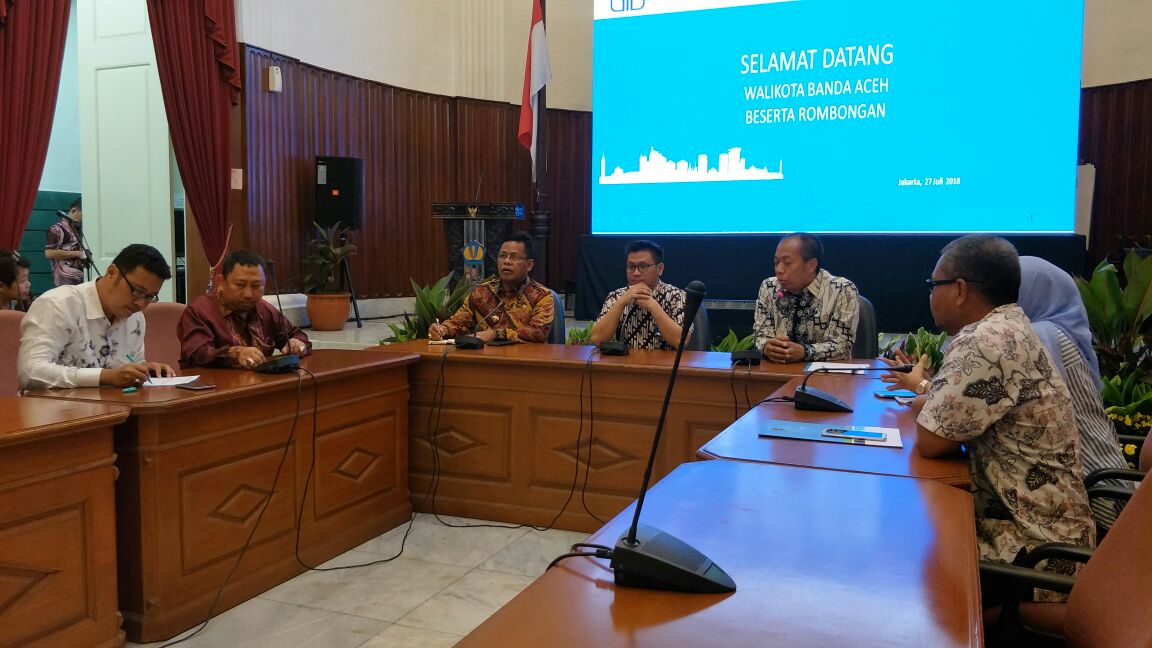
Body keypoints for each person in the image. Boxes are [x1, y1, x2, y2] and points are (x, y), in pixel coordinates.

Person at [882, 235, 1094, 602]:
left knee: (898, 554)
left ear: (960, 290)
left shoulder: (983, 340)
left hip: (1033, 553)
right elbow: (953, 409)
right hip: (1052, 533)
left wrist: (926, 403)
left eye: (934, 284)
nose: (930, 294)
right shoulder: (1010, 326)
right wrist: (929, 398)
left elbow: (933, 442)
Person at [1018, 256, 1131, 527]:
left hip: (1093, 495)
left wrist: (924, 386)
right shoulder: (1061, 333)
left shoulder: (1039, 338)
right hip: (1108, 476)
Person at [18, 243, 176, 389]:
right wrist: (105, 377)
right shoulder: (57, 305)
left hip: (113, 407)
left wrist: (143, 370)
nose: (141, 304)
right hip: (54, 408)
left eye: (150, 297)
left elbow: (129, 366)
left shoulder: (135, 318)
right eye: (137, 291)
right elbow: (30, 372)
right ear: (112, 272)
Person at [178, 249, 311, 369]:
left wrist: (297, 343)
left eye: (256, 286)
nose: (248, 294)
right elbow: (196, 354)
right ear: (221, 282)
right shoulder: (200, 311)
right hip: (211, 385)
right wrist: (235, 354)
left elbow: (296, 335)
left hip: (259, 383)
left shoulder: (265, 309)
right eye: (240, 285)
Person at [428, 232, 554, 343]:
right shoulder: (481, 292)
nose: (506, 261)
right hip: (486, 359)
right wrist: (442, 330)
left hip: (523, 359)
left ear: (529, 265)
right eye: (502, 256)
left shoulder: (541, 296)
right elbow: (459, 322)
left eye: (514, 257)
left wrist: (497, 334)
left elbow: (538, 333)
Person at [753, 233, 859, 362]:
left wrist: (805, 352)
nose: (779, 269)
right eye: (776, 262)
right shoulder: (769, 287)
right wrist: (767, 347)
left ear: (811, 265)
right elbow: (760, 335)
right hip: (777, 369)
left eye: (787, 262)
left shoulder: (842, 290)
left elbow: (842, 345)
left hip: (825, 372)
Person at [590, 240, 689, 350]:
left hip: (666, 361)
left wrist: (653, 306)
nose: (636, 273)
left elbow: (681, 341)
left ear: (660, 269)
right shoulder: (616, 296)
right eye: (631, 267)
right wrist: (621, 303)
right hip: (626, 360)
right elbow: (596, 339)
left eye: (643, 266)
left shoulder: (678, 296)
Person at [45, 197, 87, 286]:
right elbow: (49, 253)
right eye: (83, 216)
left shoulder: (77, 229)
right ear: (74, 211)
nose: (84, 220)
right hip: (65, 280)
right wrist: (78, 253)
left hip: (80, 278)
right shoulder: (56, 229)